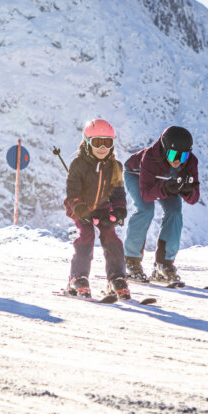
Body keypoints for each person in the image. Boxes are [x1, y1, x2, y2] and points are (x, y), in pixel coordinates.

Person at [123, 126, 200, 283]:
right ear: (165, 149)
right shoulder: (150, 157)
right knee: (145, 210)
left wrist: (186, 190)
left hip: (165, 182)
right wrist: (165, 188)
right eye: (173, 154)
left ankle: (163, 265)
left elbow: (193, 199)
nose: (177, 160)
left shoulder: (191, 162)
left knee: (175, 212)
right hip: (136, 175)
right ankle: (131, 262)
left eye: (183, 156)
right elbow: (146, 195)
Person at [64, 119, 129, 299]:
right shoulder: (78, 164)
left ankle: (117, 278)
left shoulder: (115, 167)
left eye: (107, 143)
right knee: (86, 234)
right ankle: (78, 277)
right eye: (97, 142)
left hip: (102, 208)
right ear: (87, 143)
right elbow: (72, 191)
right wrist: (79, 208)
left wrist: (119, 210)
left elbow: (117, 192)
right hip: (80, 207)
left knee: (110, 236)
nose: (102, 148)